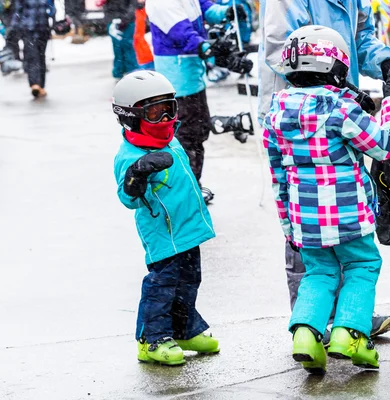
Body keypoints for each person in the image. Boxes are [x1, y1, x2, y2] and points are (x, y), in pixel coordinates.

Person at [263, 26, 390, 373]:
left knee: (319, 272)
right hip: (349, 217)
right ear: (338, 67)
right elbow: (385, 145)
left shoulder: (276, 111)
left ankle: (306, 335)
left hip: (304, 219)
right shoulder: (340, 107)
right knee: (361, 267)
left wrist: (288, 226)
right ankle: (350, 334)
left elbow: (278, 175)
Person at [113, 70, 219, 366]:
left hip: (188, 230)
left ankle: (184, 330)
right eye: (154, 113)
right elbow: (128, 198)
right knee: (162, 286)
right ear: (132, 116)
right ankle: (151, 339)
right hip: (164, 234)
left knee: (189, 282)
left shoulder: (170, 140)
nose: (163, 120)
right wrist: (137, 173)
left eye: (168, 110)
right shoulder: (129, 154)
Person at [145, 0, 252, 204]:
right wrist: (209, 49)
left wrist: (225, 12)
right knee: (185, 136)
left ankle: (194, 184)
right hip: (177, 78)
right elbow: (182, 33)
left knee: (199, 130)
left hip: (193, 75)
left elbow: (204, 7)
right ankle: (183, 191)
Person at [11, 0, 54, 97]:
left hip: (43, 29)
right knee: (32, 56)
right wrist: (14, 26)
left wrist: (54, 22)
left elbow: (52, 9)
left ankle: (41, 85)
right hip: (28, 30)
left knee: (41, 57)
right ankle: (34, 84)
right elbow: (18, 11)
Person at [104, 0, 139, 79]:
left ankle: (131, 70)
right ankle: (119, 70)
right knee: (117, 47)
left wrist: (125, 19)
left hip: (128, 21)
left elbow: (132, 5)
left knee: (128, 45)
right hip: (113, 21)